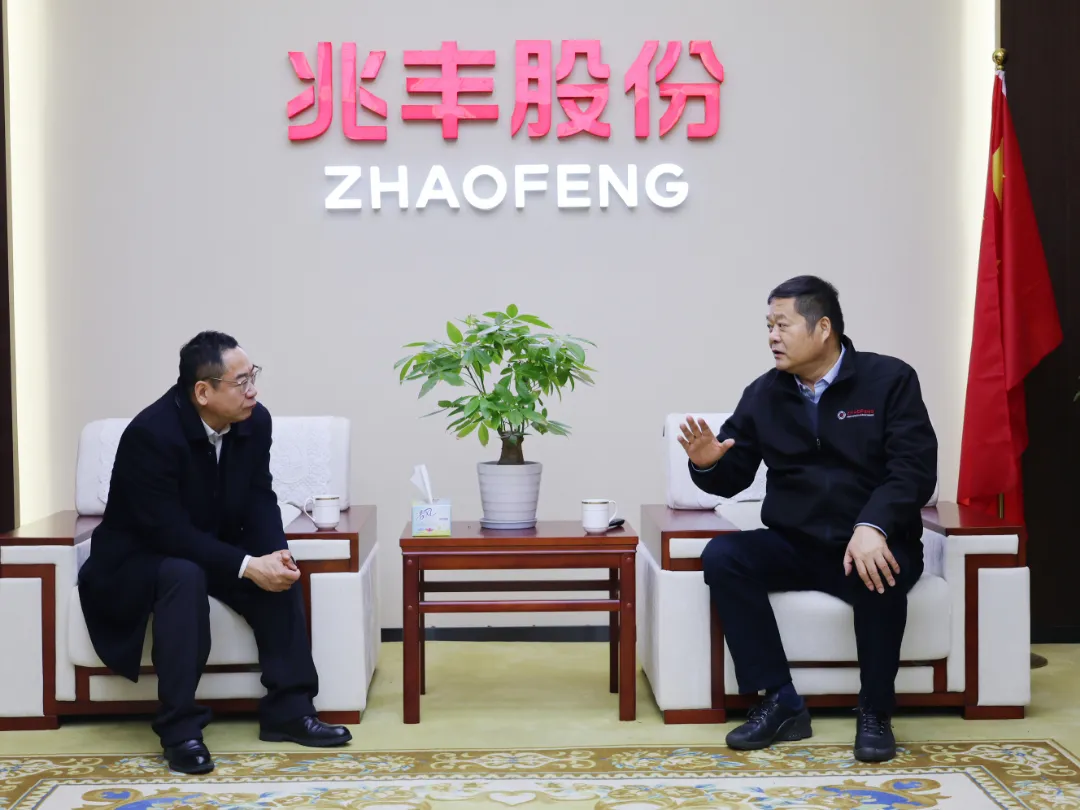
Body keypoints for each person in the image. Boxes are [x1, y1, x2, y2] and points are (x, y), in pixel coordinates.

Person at [677, 276, 937, 762]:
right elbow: (733, 475)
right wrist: (708, 463)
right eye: (768, 326)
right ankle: (780, 701)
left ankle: (875, 710)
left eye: (782, 325)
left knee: (880, 570)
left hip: (873, 540)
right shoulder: (764, 393)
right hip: (797, 543)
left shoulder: (889, 380)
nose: (772, 337)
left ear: (823, 328)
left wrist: (873, 525)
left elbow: (913, 468)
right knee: (725, 556)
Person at [77, 331, 352, 775]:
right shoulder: (151, 434)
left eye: (253, 376)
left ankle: (290, 710)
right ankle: (180, 732)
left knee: (280, 573)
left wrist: (274, 555)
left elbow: (260, 496)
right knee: (184, 575)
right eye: (241, 382)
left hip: (208, 544)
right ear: (203, 392)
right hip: (139, 558)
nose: (253, 391)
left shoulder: (254, 422)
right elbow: (166, 532)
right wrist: (245, 564)